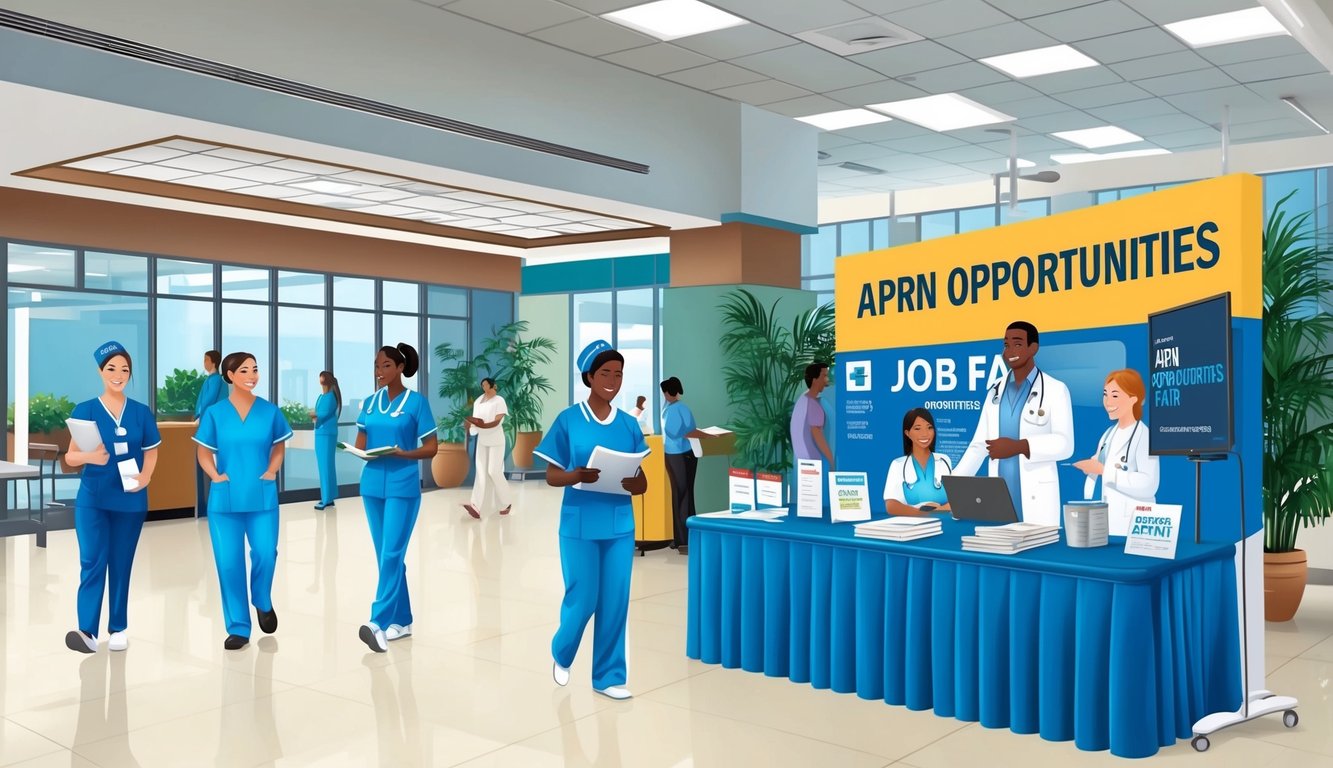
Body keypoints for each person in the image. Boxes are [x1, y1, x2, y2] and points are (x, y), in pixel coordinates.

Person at [534, 340, 648, 701]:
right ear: (589, 377)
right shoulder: (569, 420)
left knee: (615, 600)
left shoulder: (629, 425)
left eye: (618, 373)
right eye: (605, 373)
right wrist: (577, 476)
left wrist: (635, 482)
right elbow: (551, 475)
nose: (612, 379)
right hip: (580, 524)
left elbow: (641, 479)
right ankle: (562, 650)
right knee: (583, 599)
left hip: (618, 525)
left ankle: (608, 676)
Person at [63, 341, 161, 654]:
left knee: (121, 563)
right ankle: (86, 631)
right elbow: (71, 458)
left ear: (130, 375)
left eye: (124, 370)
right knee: (92, 561)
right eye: (111, 369)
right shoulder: (85, 410)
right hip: (92, 498)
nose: (118, 375)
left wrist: (145, 478)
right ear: (100, 372)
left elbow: (152, 451)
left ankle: (118, 626)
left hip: (130, 500)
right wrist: (92, 457)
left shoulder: (141, 413)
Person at [193, 351, 293, 650]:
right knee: (228, 563)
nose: (252, 375)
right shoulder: (215, 413)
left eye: (255, 369)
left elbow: (278, 446)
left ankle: (261, 597)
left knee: (265, 553)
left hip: (261, 496)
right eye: (245, 371)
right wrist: (214, 475)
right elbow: (202, 451)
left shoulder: (269, 411)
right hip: (225, 500)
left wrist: (272, 470)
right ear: (230, 376)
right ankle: (238, 626)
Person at [355, 343, 438, 653]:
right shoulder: (369, 403)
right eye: (377, 366)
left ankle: (377, 622)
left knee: (392, 554)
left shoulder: (417, 403)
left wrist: (405, 454)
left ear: (400, 368)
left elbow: (431, 447)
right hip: (372, 486)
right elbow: (362, 443)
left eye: (386, 366)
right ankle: (402, 621)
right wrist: (361, 451)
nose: (380, 372)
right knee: (386, 557)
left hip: (403, 485)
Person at [956, 321, 1074, 526]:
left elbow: (1065, 444)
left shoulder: (1056, 389)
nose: (1010, 350)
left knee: (1037, 553)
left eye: (1017, 344)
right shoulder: (995, 389)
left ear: (1033, 348)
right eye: (1006, 345)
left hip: (1036, 497)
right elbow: (978, 446)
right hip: (999, 497)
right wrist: (953, 486)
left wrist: (1019, 447)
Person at [1074, 369, 1160, 536]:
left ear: (1134, 399)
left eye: (1115, 396)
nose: (1107, 402)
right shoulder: (1108, 434)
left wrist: (1103, 470)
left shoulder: (1145, 436)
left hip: (1134, 523)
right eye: (1105, 394)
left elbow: (1149, 485)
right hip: (1107, 521)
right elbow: (1100, 465)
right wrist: (1091, 467)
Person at [660, 377, 713, 553]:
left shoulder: (669, 409)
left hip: (672, 455)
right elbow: (686, 430)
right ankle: (688, 537)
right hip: (686, 454)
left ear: (668, 392)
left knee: (680, 494)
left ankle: (681, 539)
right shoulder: (683, 408)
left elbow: (672, 431)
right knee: (687, 494)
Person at [883, 408, 952, 517]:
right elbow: (891, 506)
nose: (925, 434)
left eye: (929, 428)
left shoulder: (944, 460)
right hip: (914, 526)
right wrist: (923, 514)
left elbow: (957, 500)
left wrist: (938, 510)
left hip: (945, 524)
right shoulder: (897, 465)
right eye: (917, 429)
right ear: (907, 433)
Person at [463, 377, 511, 519]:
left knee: (493, 471)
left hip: (496, 440)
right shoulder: (478, 401)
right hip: (482, 440)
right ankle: (475, 506)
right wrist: (470, 427)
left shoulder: (499, 401)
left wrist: (481, 425)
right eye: (482, 385)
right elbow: (475, 421)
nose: (483, 387)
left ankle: (506, 502)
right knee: (481, 473)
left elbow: (496, 422)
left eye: (485, 384)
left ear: (493, 386)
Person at [194, 350, 228, 517]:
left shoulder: (216, 381)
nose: (204, 363)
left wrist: (199, 415)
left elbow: (207, 400)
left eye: (206, 359)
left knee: (213, 459)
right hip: (209, 423)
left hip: (213, 425)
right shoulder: (211, 380)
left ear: (213, 362)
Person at [791, 362, 834, 467]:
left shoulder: (802, 400)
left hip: (801, 461)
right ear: (815, 379)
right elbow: (818, 438)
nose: (827, 380)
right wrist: (832, 462)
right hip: (813, 462)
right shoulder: (813, 406)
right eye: (824, 376)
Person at [312, 371, 341, 511]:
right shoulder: (321, 396)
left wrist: (313, 414)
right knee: (325, 466)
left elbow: (322, 414)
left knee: (325, 467)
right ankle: (329, 497)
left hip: (326, 435)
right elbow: (320, 414)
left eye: (321, 377)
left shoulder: (330, 397)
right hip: (321, 434)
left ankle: (326, 499)